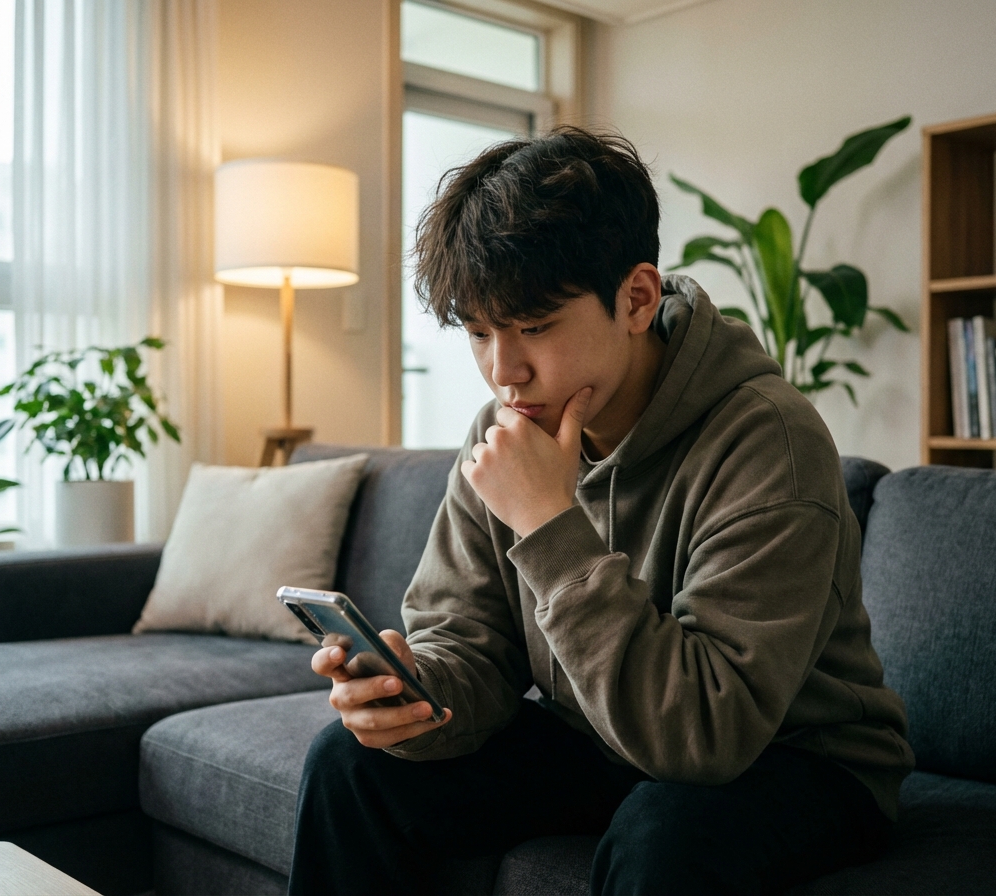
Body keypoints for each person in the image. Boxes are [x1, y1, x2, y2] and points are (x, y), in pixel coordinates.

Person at [287, 127, 914, 896]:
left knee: (665, 839)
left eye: (534, 327)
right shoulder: (505, 427)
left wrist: (551, 526)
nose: (504, 372)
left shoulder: (768, 441)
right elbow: (470, 643)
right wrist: (419, 694)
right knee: (350, 765)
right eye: (480, 332)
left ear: (637, 299)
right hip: (601, 736)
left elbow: (707, 734)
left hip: (797, 755)